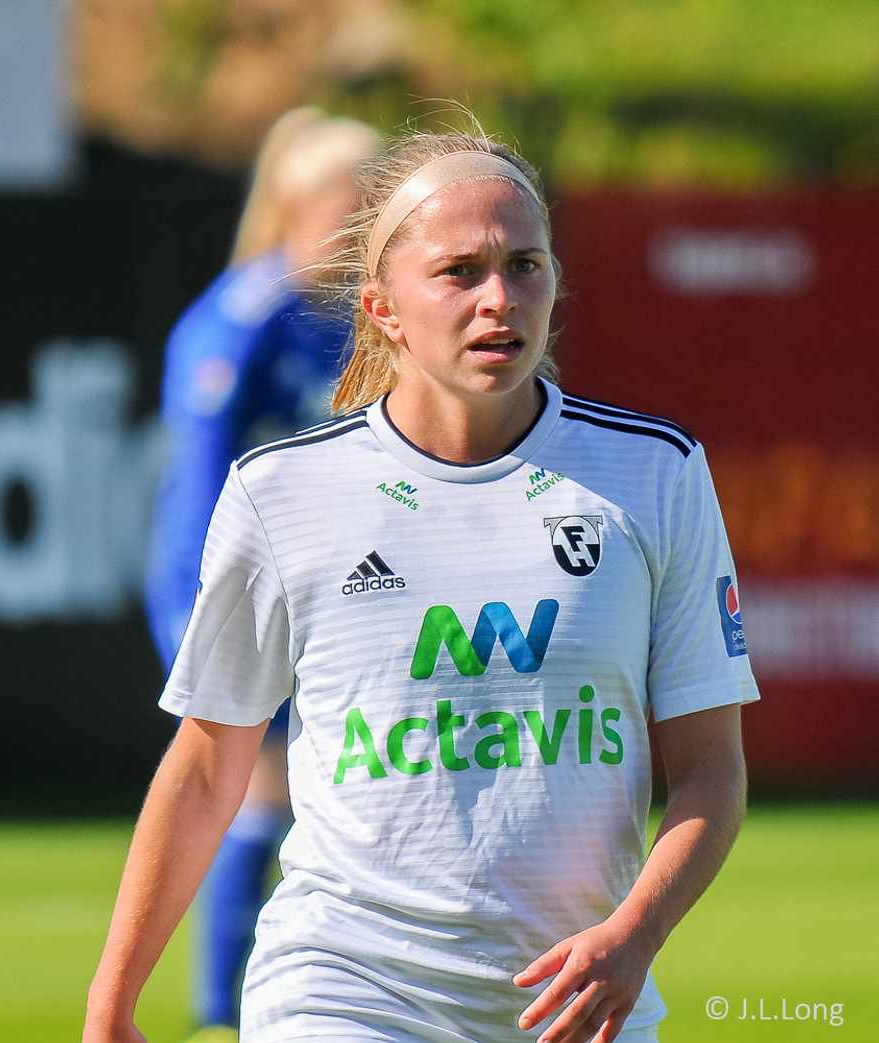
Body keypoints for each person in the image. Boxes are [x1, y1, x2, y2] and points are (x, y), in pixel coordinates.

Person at [86, 119, 759, 1043]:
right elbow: (206, 770)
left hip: (579, 1007)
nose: (500, 298)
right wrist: (112, 1002)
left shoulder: (656, 473)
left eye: (525, 265)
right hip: (339, 992)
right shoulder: (281, 491)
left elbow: (711, 767)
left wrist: (634, 935)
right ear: (382, 308)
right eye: (459, 271)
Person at [143, 107, 381, 1042]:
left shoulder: (359, 318)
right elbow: (204, 486)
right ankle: (222, 1009)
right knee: (256, 783)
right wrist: (221, 604)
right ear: (299, 205)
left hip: (331, 587)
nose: (364, 232)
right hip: (229, 588)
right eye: (352, 211)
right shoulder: (243, 319)